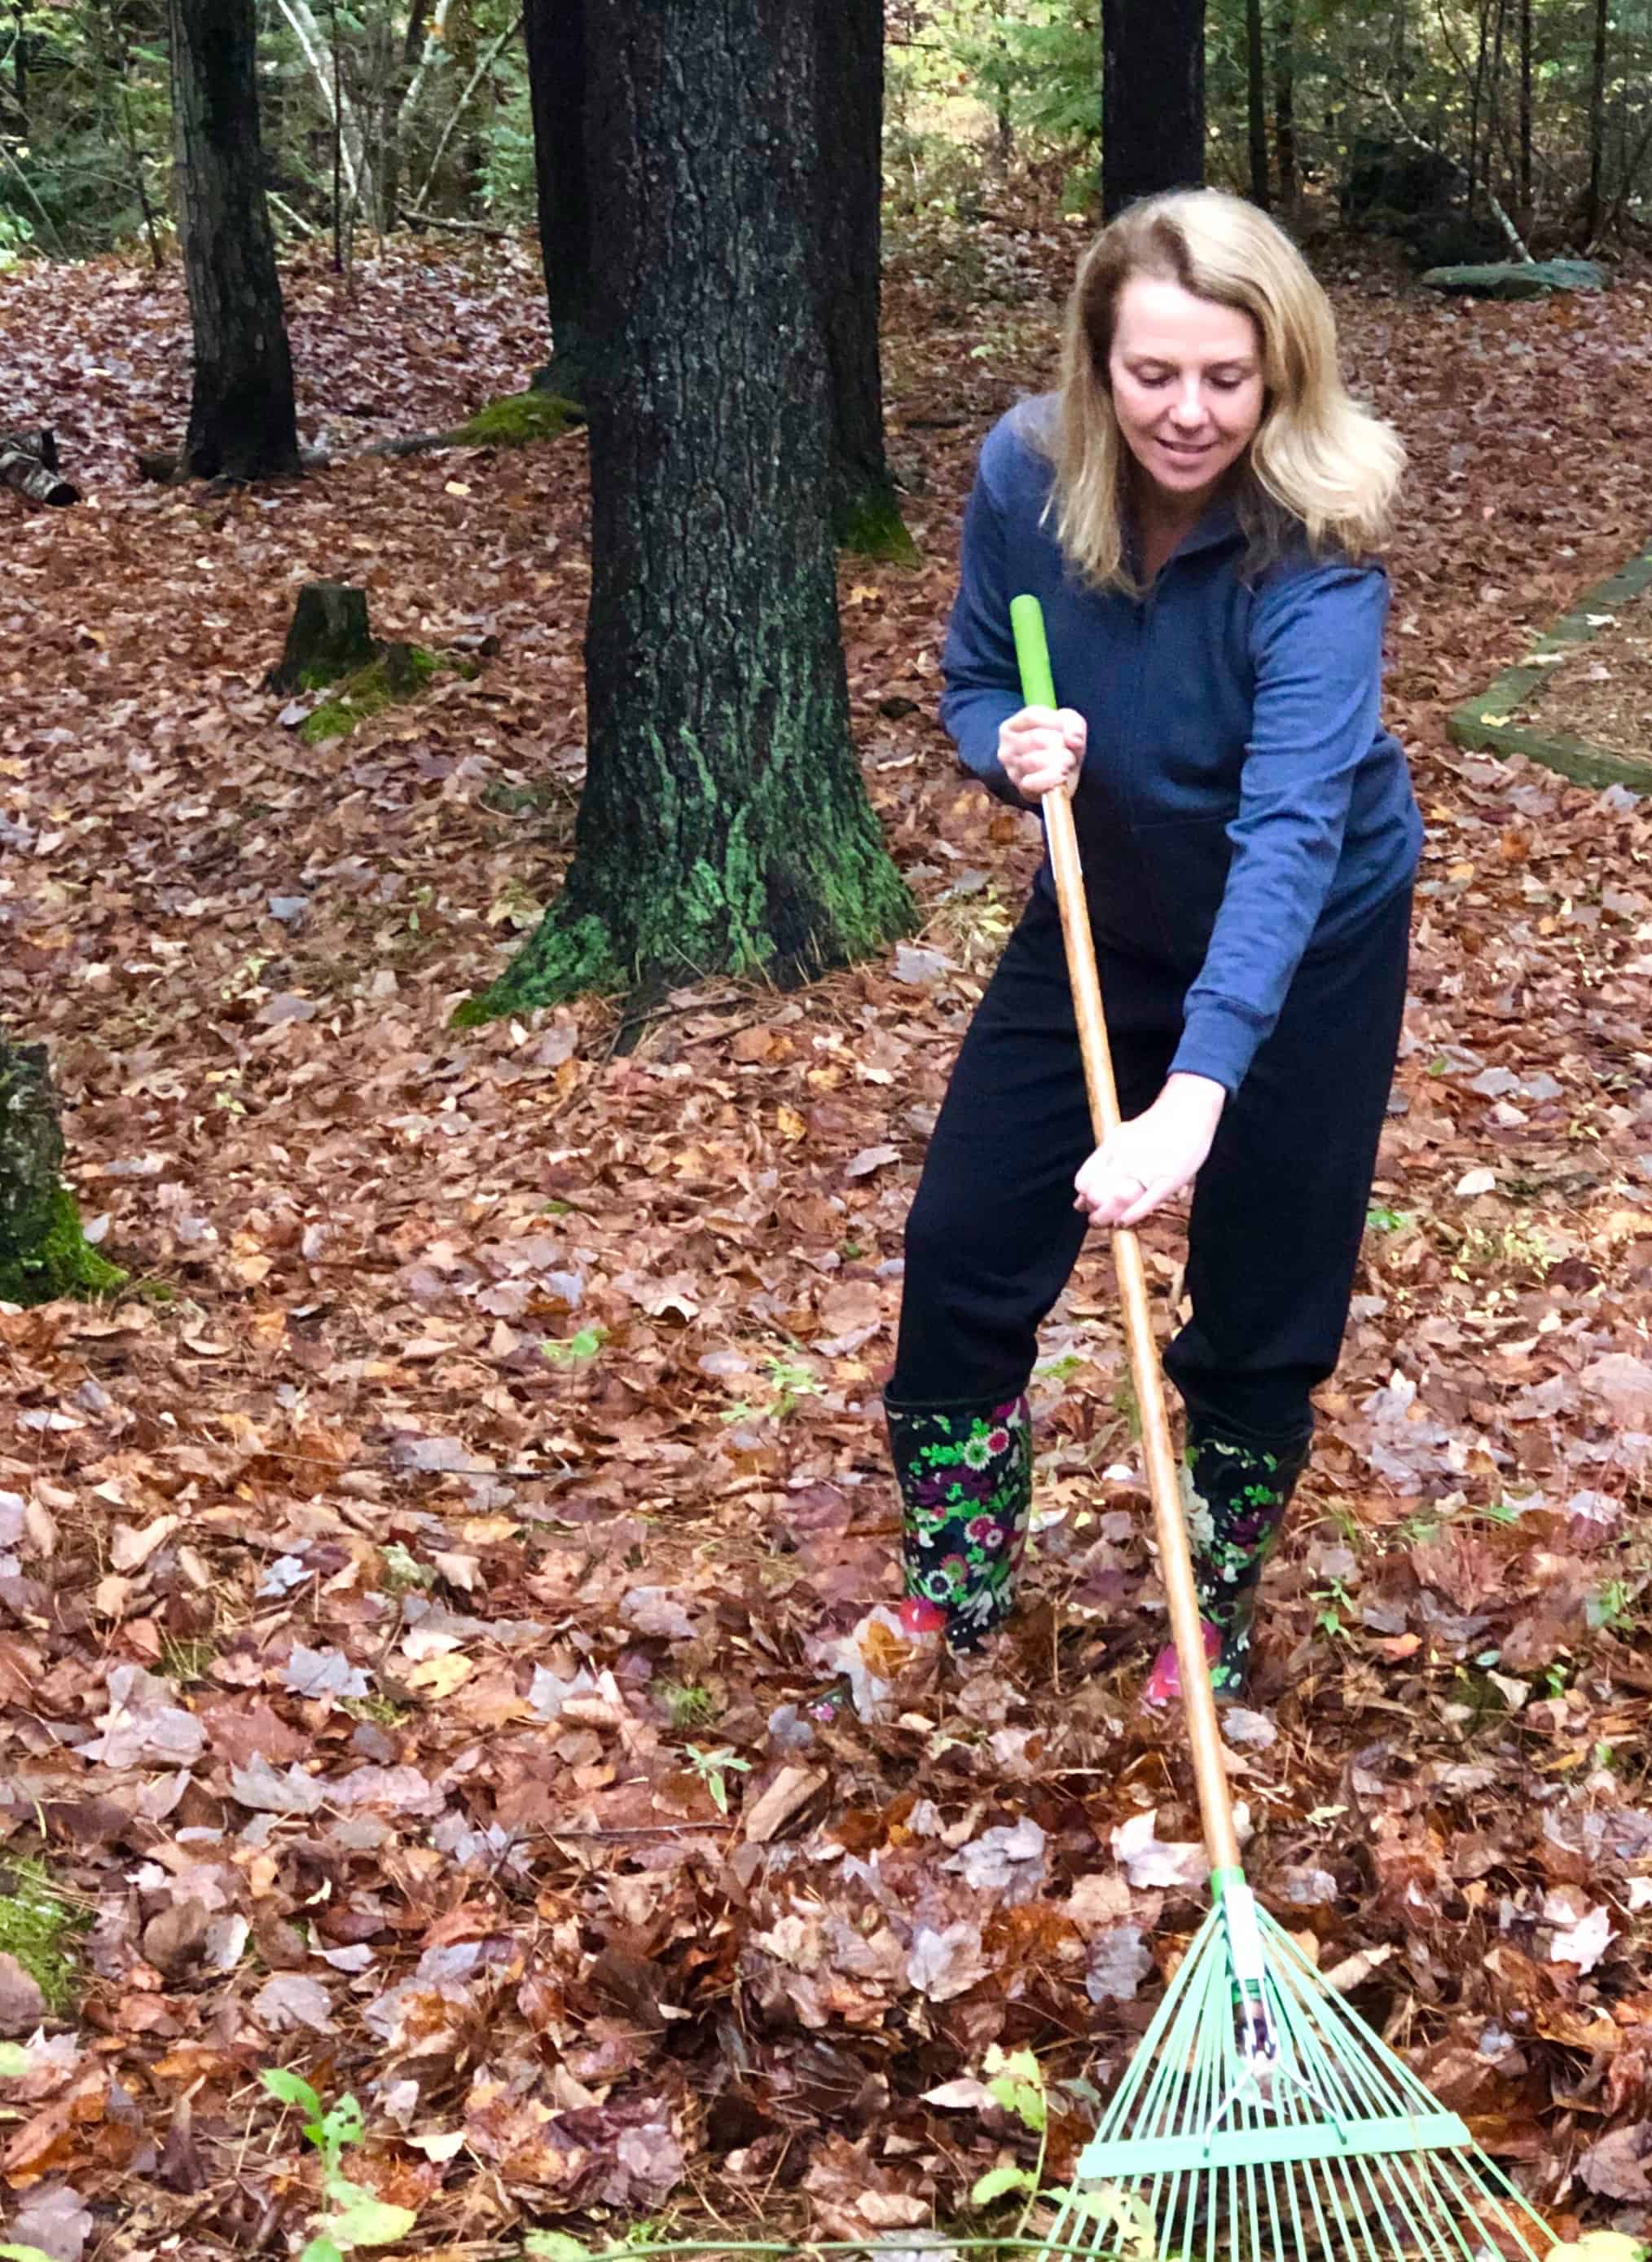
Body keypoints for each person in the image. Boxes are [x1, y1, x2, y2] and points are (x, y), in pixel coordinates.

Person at [885, 187, 1421, 1701]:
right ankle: (960, 1584)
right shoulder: (1029, 471)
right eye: (1153, 373)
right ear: (1097, 364)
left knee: (1263, 1298)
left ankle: (1214, 1606)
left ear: (1282, 374)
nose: (1189, 413)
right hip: (1099, 911)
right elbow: (981, 675)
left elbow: (1294, 829)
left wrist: (1195, 1093)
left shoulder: (1316, 538)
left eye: (1227, 378)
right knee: (963, 1244)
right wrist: (1010, 748)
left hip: (1306, 947)